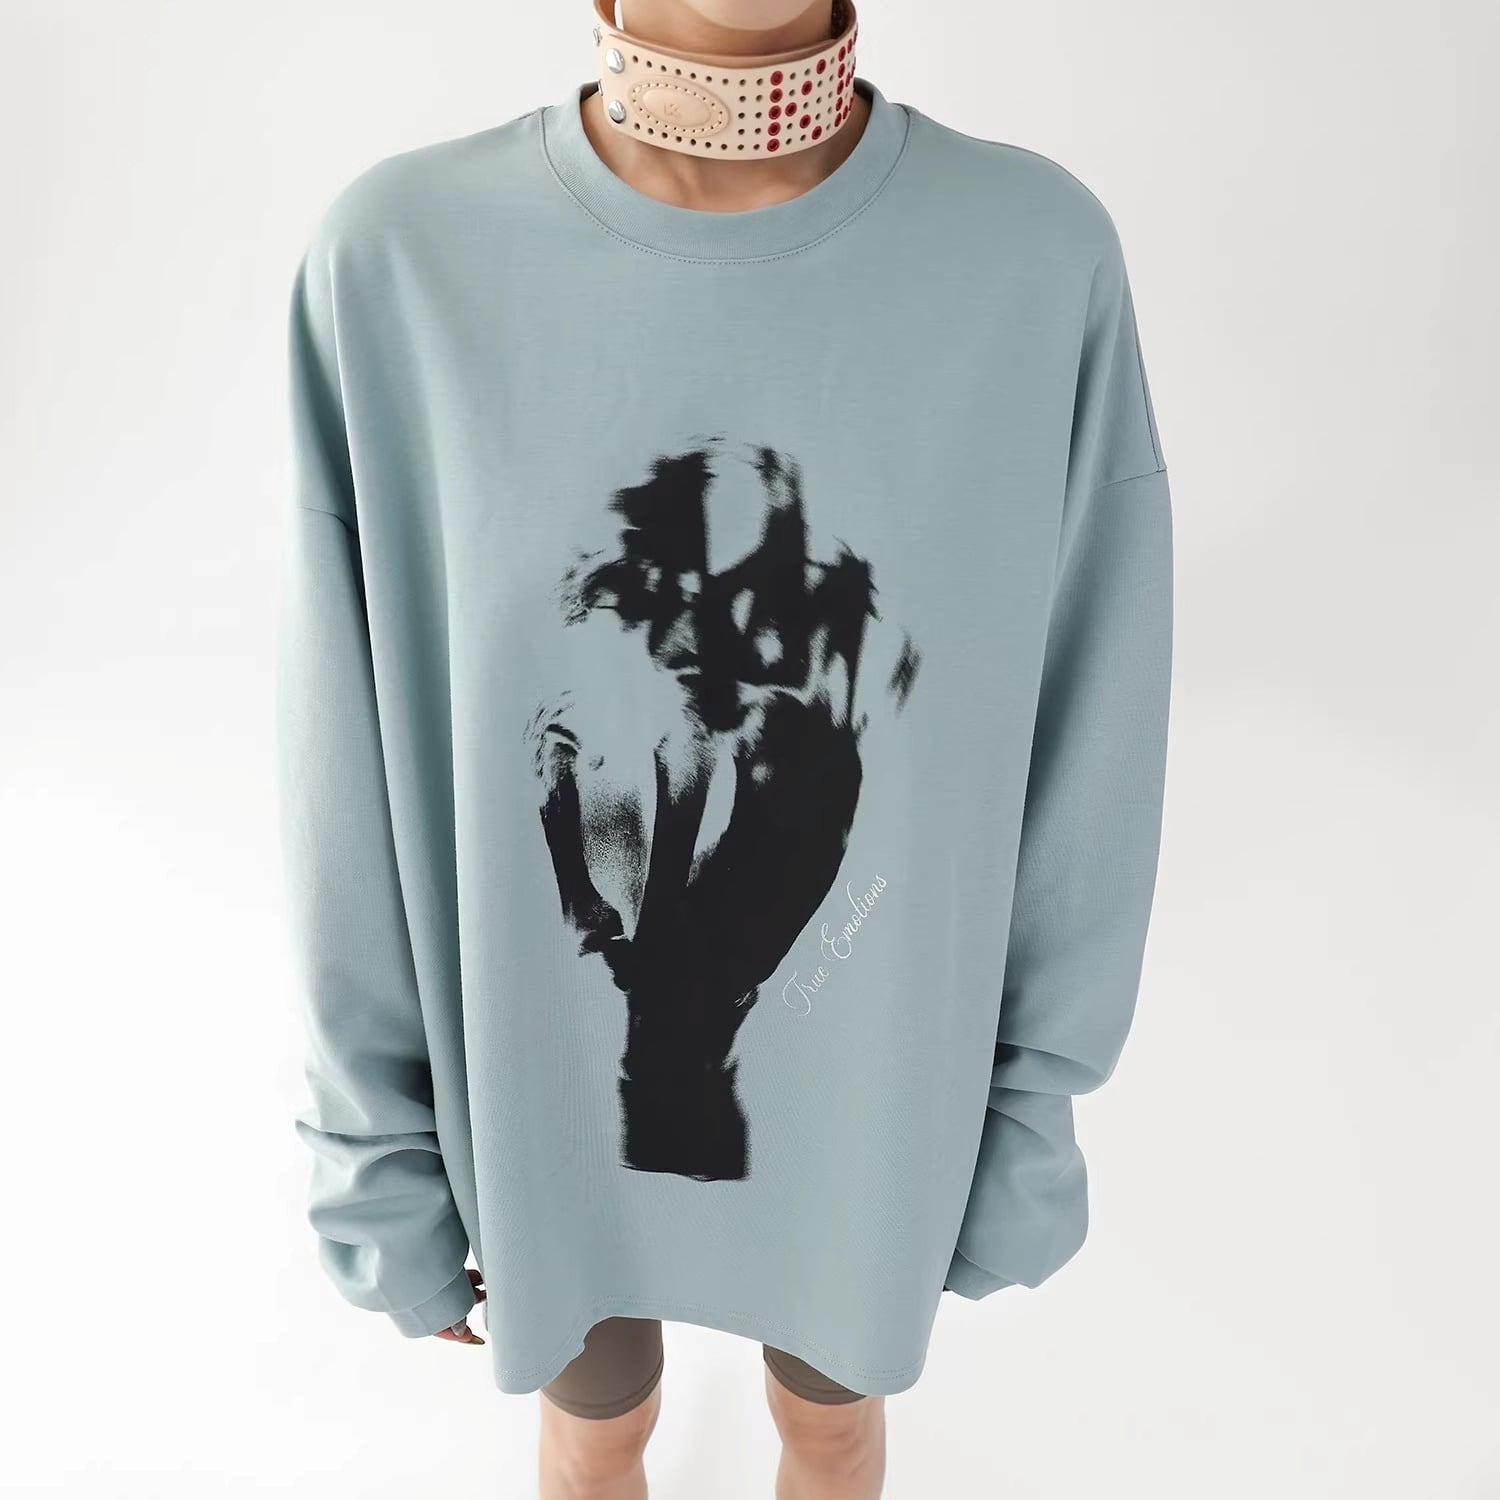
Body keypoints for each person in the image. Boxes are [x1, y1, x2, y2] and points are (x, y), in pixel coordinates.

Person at [275, 0, 1174, 1495]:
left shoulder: (1032, 256)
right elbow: (341, 751)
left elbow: (1097, 712)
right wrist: (376, 1150)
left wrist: (1031, 1105)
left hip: (877, 1105)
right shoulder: (401, 262)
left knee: (833, 1422)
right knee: (594, 1427)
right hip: (542, 1112)